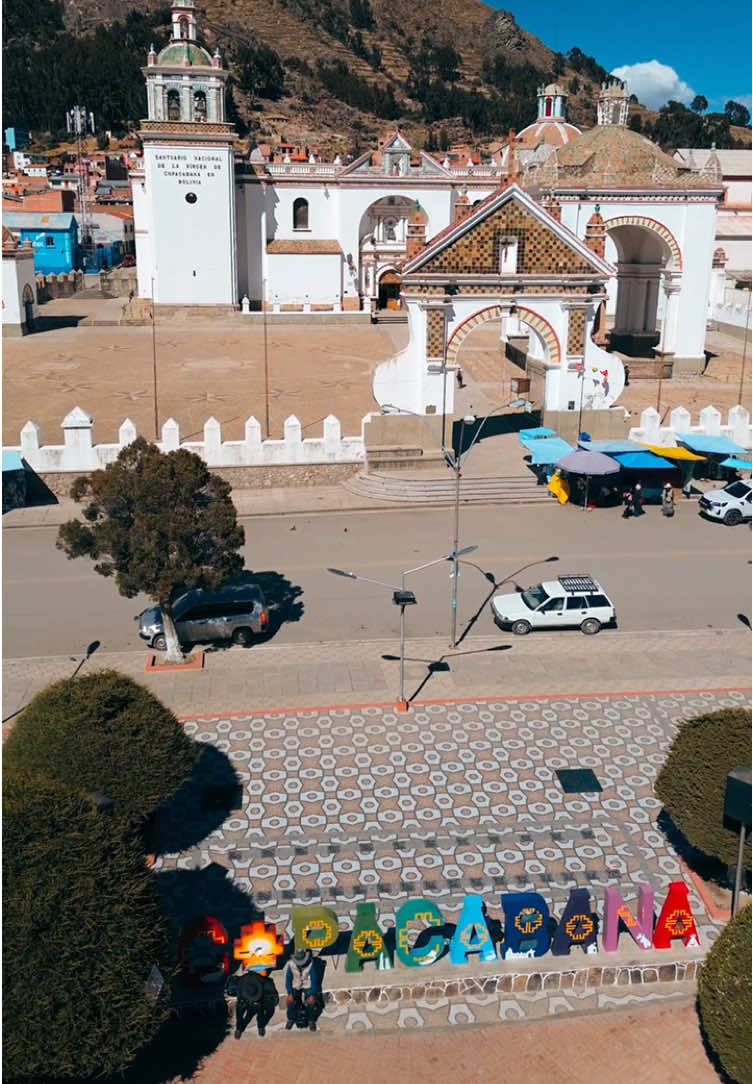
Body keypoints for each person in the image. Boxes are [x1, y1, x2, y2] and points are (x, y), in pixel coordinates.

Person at [228, 968, 279, 1039]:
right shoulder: (265, 981)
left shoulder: (265, 982)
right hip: (247, 1001)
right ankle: (244, 1028)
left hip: (252, 1001)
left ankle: (243, 1029)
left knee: (248, 1013)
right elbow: (274, 997)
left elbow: (231, 991)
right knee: (246, 1014)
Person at [284, 948, 322, 1032]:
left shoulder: (310, 964)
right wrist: (289, 992)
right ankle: (291, 1018)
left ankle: (311, 1020)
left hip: (307, 983)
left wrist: (312, 994)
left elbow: (314, 979)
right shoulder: (291, 965)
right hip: (296, 983)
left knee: (311, 1002)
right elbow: (288, 979)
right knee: (290, 1001)